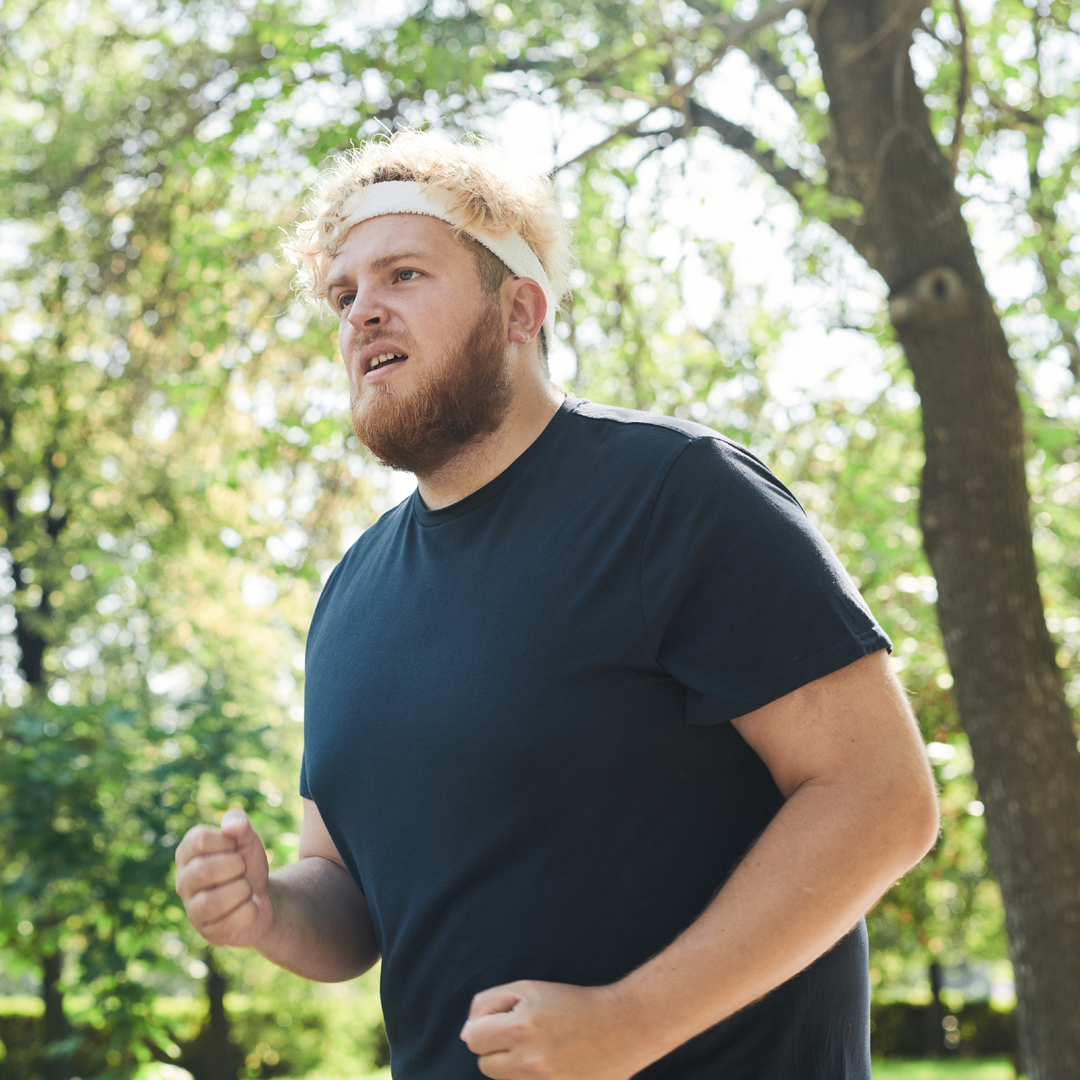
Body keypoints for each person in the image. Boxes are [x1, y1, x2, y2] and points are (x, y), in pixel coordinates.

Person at [175, 131, 939, 1080]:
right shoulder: (348, 598)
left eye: (403, 274)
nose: (363, 310)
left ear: (520, 309)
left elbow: (882, 799)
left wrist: (633, 1022)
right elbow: (350, 897)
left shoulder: (678, 497)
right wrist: (270, 910)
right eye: (343, 296)